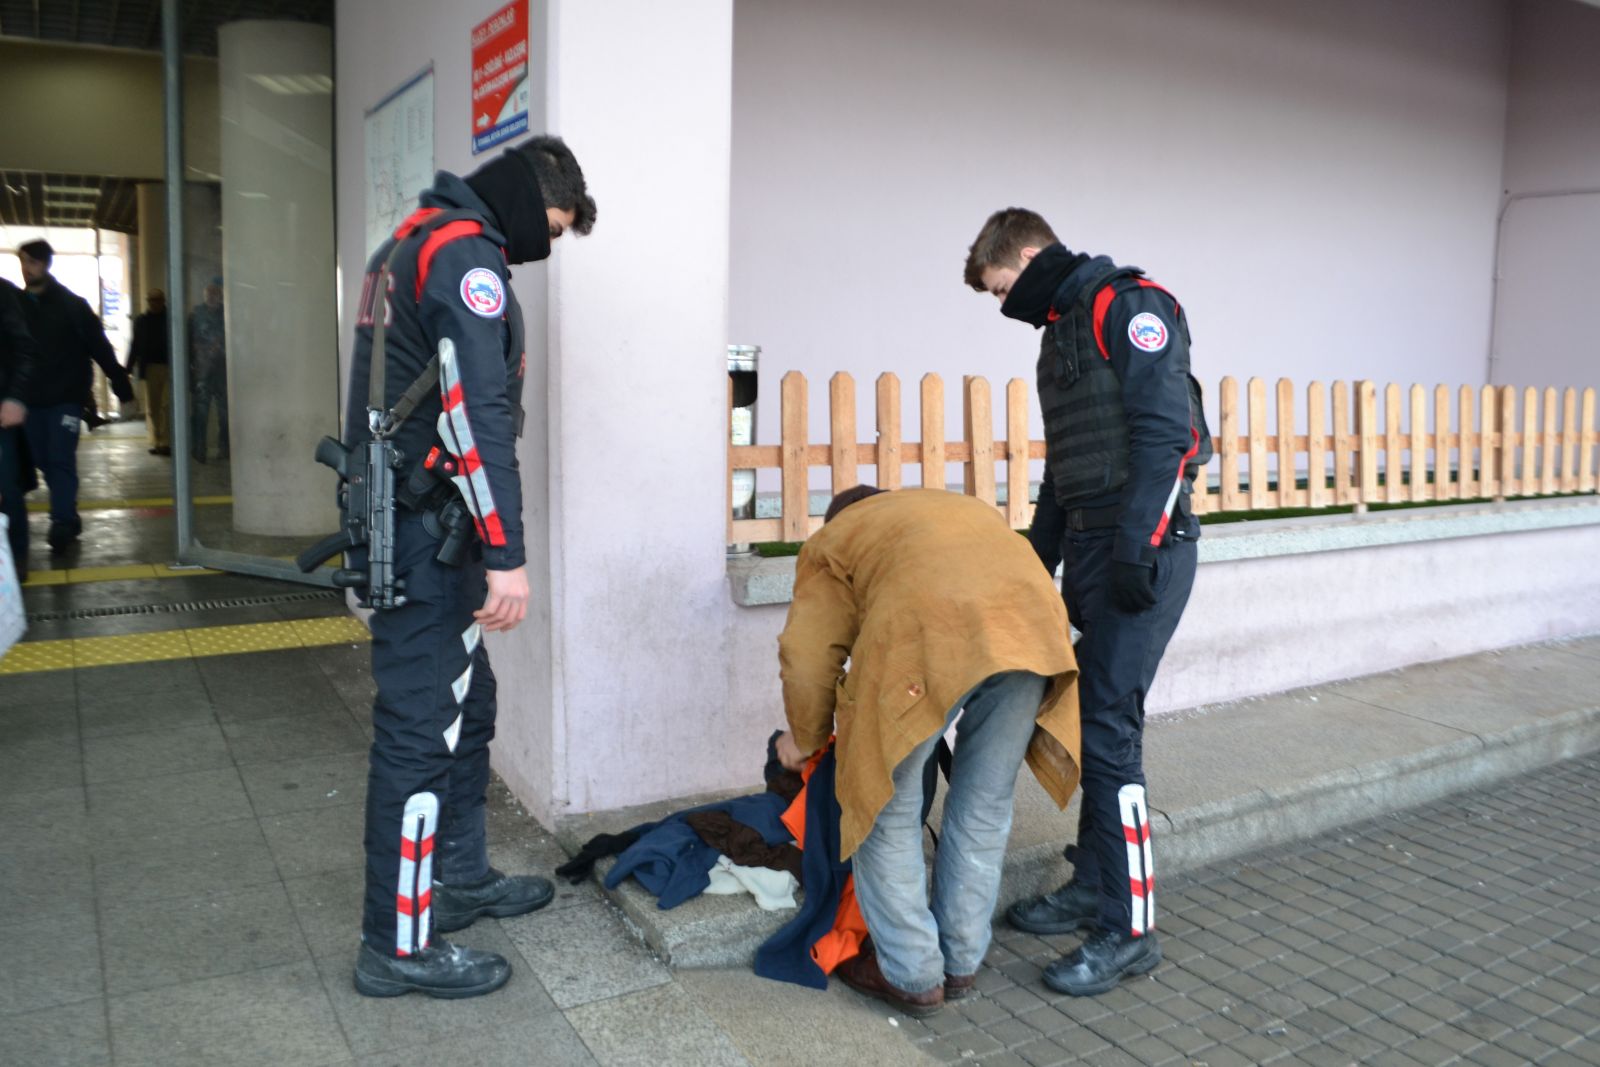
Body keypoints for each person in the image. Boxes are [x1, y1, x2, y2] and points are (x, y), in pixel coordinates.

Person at [342, 135, 596, 999]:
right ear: (530, 201)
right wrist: (508, 555)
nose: (546, 246)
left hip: (408, 521)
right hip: (428, 534)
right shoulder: (464, 256)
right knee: (419, 736)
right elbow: (476, 412)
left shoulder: (406, 242)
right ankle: (398, 943)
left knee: (468, 704)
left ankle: (458, 876)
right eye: (553, 228)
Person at [963, 208, 1209, 996]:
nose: (1008, 305)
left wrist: (1141, 542)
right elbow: (1068, 463)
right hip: (1099, 551)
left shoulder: (1128, 308)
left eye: (1006, 287)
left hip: (1144, 550)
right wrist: (1037, 559)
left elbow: (1169, 434)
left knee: (1109, 729)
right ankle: (1093, 883)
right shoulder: (1060, 335)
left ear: (1030, 255)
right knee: (1098, 720)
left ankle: (1129, 927)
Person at [774, 485, 1080, 1017]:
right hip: (1031, 632)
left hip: (928, 631)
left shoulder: (836, 538)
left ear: (837, 517)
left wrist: (802, 740)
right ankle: (961, 961)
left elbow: (807, 656)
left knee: (883, 805)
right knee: (985, 801)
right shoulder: (944, 509)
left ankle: (911, 972)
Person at [16, 239, 134, 552]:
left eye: (33, 262)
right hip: (28, 400)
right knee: (40, 459)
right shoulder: (16, 306)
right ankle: (67, 509)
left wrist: (119, 382)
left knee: (59, 457)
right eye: (24, 262)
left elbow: (99, 346)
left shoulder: (72, 305)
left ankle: (63, 520)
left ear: (46, 264)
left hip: (66, 398)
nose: (27, 269)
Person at [0, 277, 43, 580]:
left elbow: (25, 349)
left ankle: (16, 559)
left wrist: (15, 397)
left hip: (1, 409)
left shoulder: (3, 293)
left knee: (6, 486)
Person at [187, 280, 228, 463]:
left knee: (224, 414)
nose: (212, 297)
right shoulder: (196, 315)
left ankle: (225, 448)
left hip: (222, 372)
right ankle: (199, 449)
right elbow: (188, 344)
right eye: (210, 294)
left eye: (216, 294)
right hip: (202, 371)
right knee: (200, 414)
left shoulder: (226, 314)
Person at [128, 289, 171, 456]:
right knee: (153, 407)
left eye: (157, 300)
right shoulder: (142, 321)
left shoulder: (169, 320)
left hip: (168, 367)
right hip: (150, 367)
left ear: (163, 300)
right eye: (151, 300)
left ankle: (166, 442)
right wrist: (128, 366)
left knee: (166, 406)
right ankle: (158, 441)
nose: (154, 303)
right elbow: (136, 344)